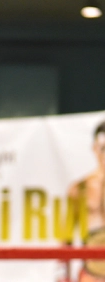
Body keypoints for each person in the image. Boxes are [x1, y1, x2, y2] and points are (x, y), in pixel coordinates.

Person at [59, 121, 105, 282]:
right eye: (103, 148)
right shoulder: (79, 189)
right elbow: (66, 238)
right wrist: (63, 276)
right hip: (90, 274)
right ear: (95, 148)